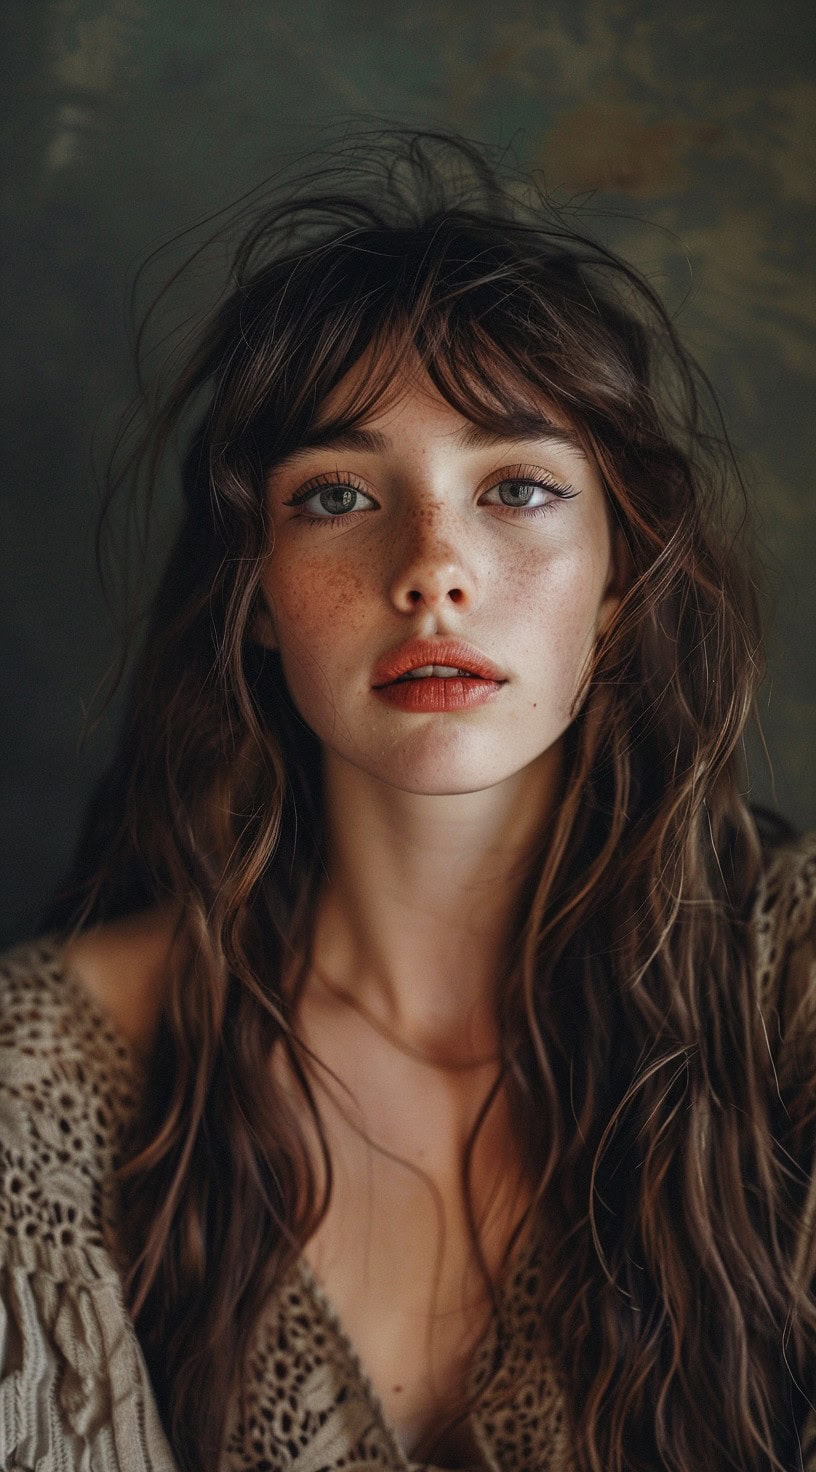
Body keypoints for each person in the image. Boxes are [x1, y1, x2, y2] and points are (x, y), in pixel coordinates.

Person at [1, 128, 814, 1472]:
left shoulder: (786, 989)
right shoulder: (42, 1084)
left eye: (518, 489)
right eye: (336, 494)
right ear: (254, 590)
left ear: (620, 585)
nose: (434, 568)